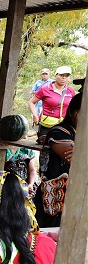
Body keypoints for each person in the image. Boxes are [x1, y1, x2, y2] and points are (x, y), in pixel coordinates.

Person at [34, 92, 80, 227]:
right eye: (81, 112)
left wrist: (81, 152)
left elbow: (81, 158)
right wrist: (80, 155)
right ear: (71, 112)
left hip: (75, 197)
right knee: (52, 236)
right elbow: (77, 162)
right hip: (56, 197)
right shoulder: (59, 132)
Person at [30, 65, 76, 139]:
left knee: (61, 147)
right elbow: (31, 102)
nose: (64, 78)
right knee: (45, 148)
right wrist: (35, 115)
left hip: (63, 126)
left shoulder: (70, 91)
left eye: (66, 76)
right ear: (55, 75)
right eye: (61, 75)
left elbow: (75, 107)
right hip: (46, 125)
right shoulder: (45, 89)